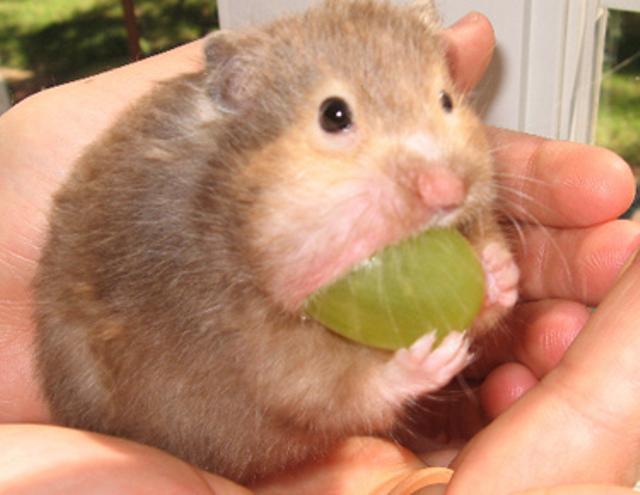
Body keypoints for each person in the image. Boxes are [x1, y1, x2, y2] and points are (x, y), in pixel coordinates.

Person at [1, 11, 639, 495]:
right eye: (338, 119)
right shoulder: (231, 256)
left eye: (444, 104)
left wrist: (484, 293)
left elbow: (426, 308)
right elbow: (290, 381)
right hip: (155, 398)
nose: (442, 185)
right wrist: (384, 384)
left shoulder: (371, 205)